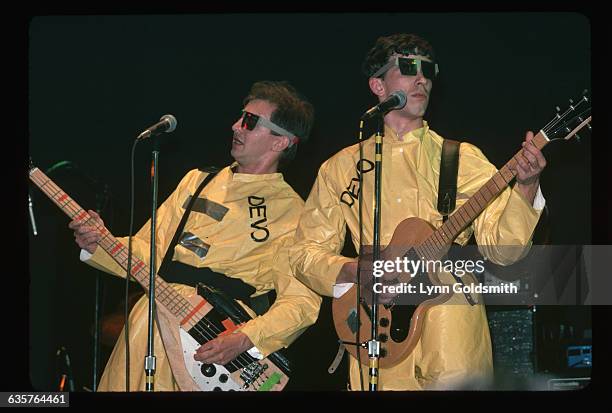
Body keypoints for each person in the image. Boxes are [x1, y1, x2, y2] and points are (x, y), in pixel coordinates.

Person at [288, 33, 547, 390]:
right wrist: (355, 270)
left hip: (452, 318)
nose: (421, 78)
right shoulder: (340, 167)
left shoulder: (463, 158)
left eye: (428, 70)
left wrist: (526, 186)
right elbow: (304, 252)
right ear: (378, 85)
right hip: (373, 321)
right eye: (408, 68)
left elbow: (504, 251)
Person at [69, 80, 321, 391]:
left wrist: (246, 338)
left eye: (250, 121)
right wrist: (102, 243)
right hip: (150, 327)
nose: (235, 126)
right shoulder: (198, 181)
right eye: (240, 116)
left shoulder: (293, 212)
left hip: (214, 344)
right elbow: (150, 252)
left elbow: (300, 302)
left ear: (281, 142)